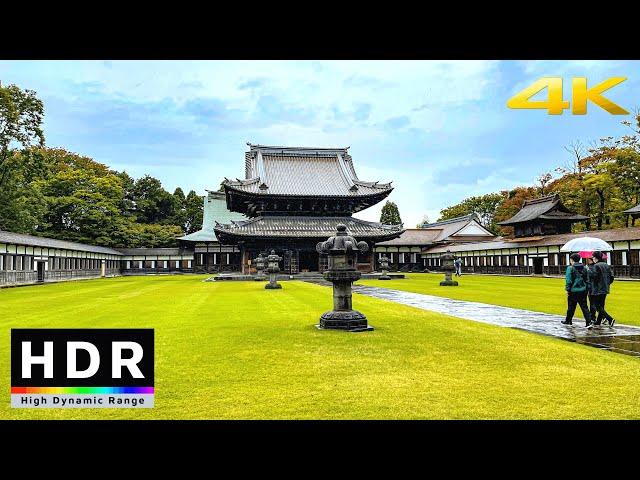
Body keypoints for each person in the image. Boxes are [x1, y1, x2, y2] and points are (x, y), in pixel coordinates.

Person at [561, 252, 592, 327]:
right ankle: (589, 322)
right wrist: (587, 289)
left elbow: (568, 280)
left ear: (571, 260)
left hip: (573, 290)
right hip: (583, 290)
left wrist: (567, 289)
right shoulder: (585, 268)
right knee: (584, 307)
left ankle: (568, 320)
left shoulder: (570, 268)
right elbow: (587, 280)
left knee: (571, 306)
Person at [588, 251, 616, 326]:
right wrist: (607, 284)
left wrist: (589, 271)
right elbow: (612, 277)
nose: (592, 258)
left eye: (593, 257)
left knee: (597, 305)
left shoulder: (596, 266)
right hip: (605, 288)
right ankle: (599, 321)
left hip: (597, 289)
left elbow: (594, 276)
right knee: (601, 305)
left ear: (596, 258)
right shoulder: (606, 265)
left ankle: (610, 319)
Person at [585, 256, 597, 322]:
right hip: (595, 287)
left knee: (592, 303)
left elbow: (593, 275)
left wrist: (588, 270)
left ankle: (593, 317)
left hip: (591, 287)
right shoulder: (595, 266)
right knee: (595, 303)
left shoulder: (592, 267)